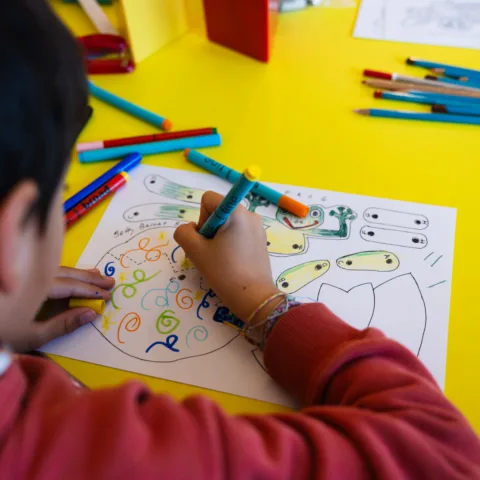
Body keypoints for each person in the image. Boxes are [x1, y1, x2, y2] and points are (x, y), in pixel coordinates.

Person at [0, 1, 478, 478]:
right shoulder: (100, 450)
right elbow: (442, 452)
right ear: (13, 232)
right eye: (62, 193)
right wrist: (263, 301)